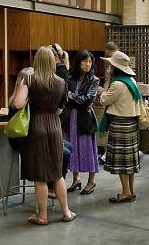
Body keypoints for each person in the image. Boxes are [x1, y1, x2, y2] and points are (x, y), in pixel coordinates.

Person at [12, 46, 75, 225]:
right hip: (54, 127)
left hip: (36, 125)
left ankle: (42, 216)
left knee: (40, 175)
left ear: (37, 61)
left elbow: (17, 104)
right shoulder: (61, 82)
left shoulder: (29, 79)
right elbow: (60, 109)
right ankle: (66, 212)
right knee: (57, 173)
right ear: (52, 60)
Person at [98, 51, 141, 203]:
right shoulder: (131, 81)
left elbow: (105, 100)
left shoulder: (117, 84)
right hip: (131, 124)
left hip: (120, 124)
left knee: (122, 161)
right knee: (129, 160)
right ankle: (130, 190)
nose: (108, 68)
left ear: (116, 68)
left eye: (110, 65)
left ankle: (125, 192)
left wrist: (103, 91)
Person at [62, 51, 99, 195]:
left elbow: (87, 100)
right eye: (85, 61)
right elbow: (64, 96)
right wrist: (73, 97)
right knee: (72, 147)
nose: (88, 64)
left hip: (84, 118)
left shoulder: (94, 80)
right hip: (70, 117)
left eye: (90, 61)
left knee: (87, 148)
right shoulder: (70, 77)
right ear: (78, 62)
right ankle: (76, 179)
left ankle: (91, 181)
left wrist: (71, 96)